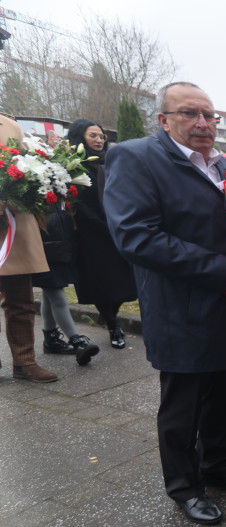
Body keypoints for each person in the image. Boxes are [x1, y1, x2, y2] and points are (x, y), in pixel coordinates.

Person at [105, 82, 226, 525]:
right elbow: (136, 236)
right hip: (182, 307)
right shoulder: (136, 157)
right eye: (189, 114)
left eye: (209, 115)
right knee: (184, 406)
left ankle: (217, 466)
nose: (203, 123)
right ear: (163, 120)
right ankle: (185, 486)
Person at [67, 119, 137, 349]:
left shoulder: (114, 160)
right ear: (80, 137)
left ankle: (111, 315)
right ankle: (112, 324)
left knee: (121, 282)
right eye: (92, 136)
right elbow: (76, 201)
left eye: (101, 136)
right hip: (90, 233)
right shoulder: (73, 164)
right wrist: (101, 225)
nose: (99, 140)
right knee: (100, 283)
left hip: (117, 227)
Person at [0, 115, 58, 383]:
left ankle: (24, 362)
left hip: (15, 222)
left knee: (21, 299)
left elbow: (27, 167)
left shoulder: (9, 124)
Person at [34, 201, 100, 366]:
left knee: (49, 295)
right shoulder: (35, 193)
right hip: (45, 253)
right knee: (57, 297)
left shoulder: (59, 194)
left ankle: (51, 340)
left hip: (57, 252)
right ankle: (77, 342)